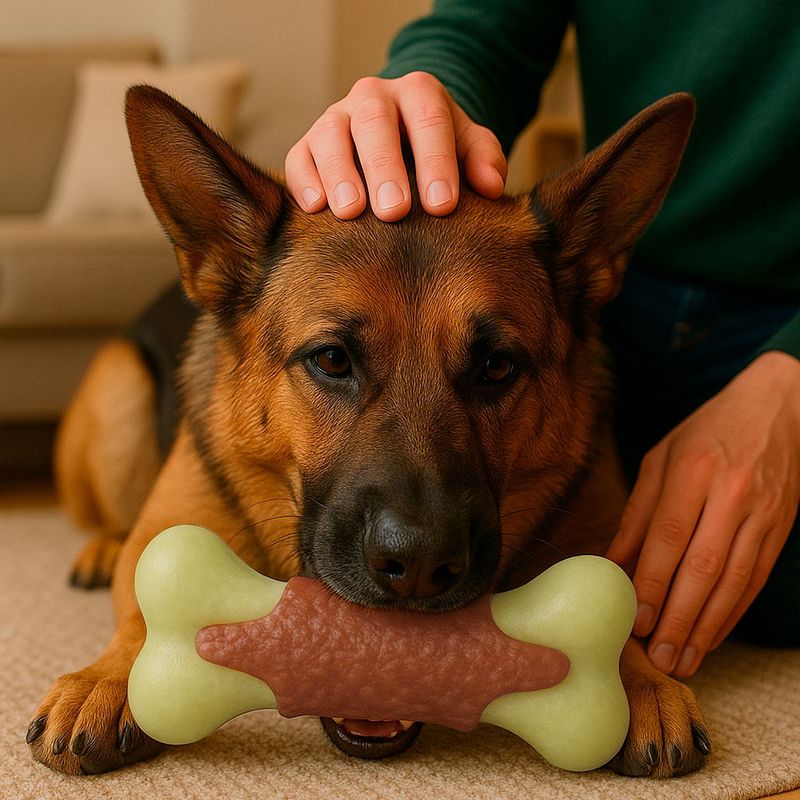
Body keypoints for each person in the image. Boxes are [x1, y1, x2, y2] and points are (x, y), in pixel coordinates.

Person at [284, 0, 800, 678]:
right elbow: (483, 28)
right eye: (333, 359)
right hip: (607, 293)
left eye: (492, 366)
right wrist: (424, 103)